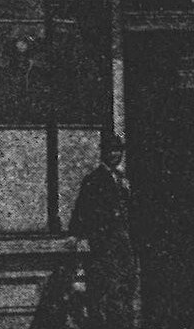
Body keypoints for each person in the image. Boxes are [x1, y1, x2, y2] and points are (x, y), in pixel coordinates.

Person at [69, 133, 138, 329]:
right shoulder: (94, 180)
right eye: (111, 151)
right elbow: (82, 211)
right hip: (105, 247)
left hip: (124, 246)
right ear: (103, 153)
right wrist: (81, 237)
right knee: (108, 294)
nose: (115, 155)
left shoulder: (123, 180)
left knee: (126, 291)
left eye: (118, 151)